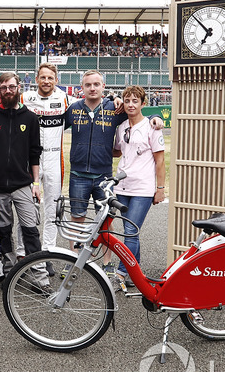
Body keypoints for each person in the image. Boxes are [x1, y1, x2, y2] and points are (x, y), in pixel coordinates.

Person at [64, 70, 162, 278]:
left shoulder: (114, 109)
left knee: (106, 220)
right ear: (82, 87)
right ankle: (72, 258)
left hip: (105, 177)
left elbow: (138, 113)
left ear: (103, 86)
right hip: (78, 174)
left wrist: (156, 117)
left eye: (96, 84)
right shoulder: (73, 109)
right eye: (88, 84)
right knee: (77, 217)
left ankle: (107, 262)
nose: (92, 88)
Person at [0, 72, 45, 285]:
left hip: (23, 184)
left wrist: (36, 183)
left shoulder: (30, 118)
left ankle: (39, 276)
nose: (8, 91)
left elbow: (35, 154)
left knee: (31, 231)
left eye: (11, 87)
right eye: (4, 87)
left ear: (19, 88)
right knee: (4, 232)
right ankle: (9, 271)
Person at [111, 85, 166, 289]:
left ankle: (121, 273)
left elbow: (160, 161)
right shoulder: (121, 126)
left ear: (143, 104)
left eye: (135, 101)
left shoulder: (152, 127)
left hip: (142, 188)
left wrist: (160, 188)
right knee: (130, 231)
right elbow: (118, 151)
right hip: (122, 185)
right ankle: (137, 272)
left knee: (129, 232)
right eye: (127, 101)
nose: (131, 104)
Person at [19, 63, 70, 276]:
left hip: (54, 159)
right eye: (43, 77)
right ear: (36, 79)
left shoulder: (64, 99)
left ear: (56, 80)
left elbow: (90, 103)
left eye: (50, 78)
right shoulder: (25, 98)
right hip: (30, 160)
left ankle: (48, 253)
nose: (46, 81)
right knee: (27, 209)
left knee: (52, 209)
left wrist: (115, 99)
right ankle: (24, 254)